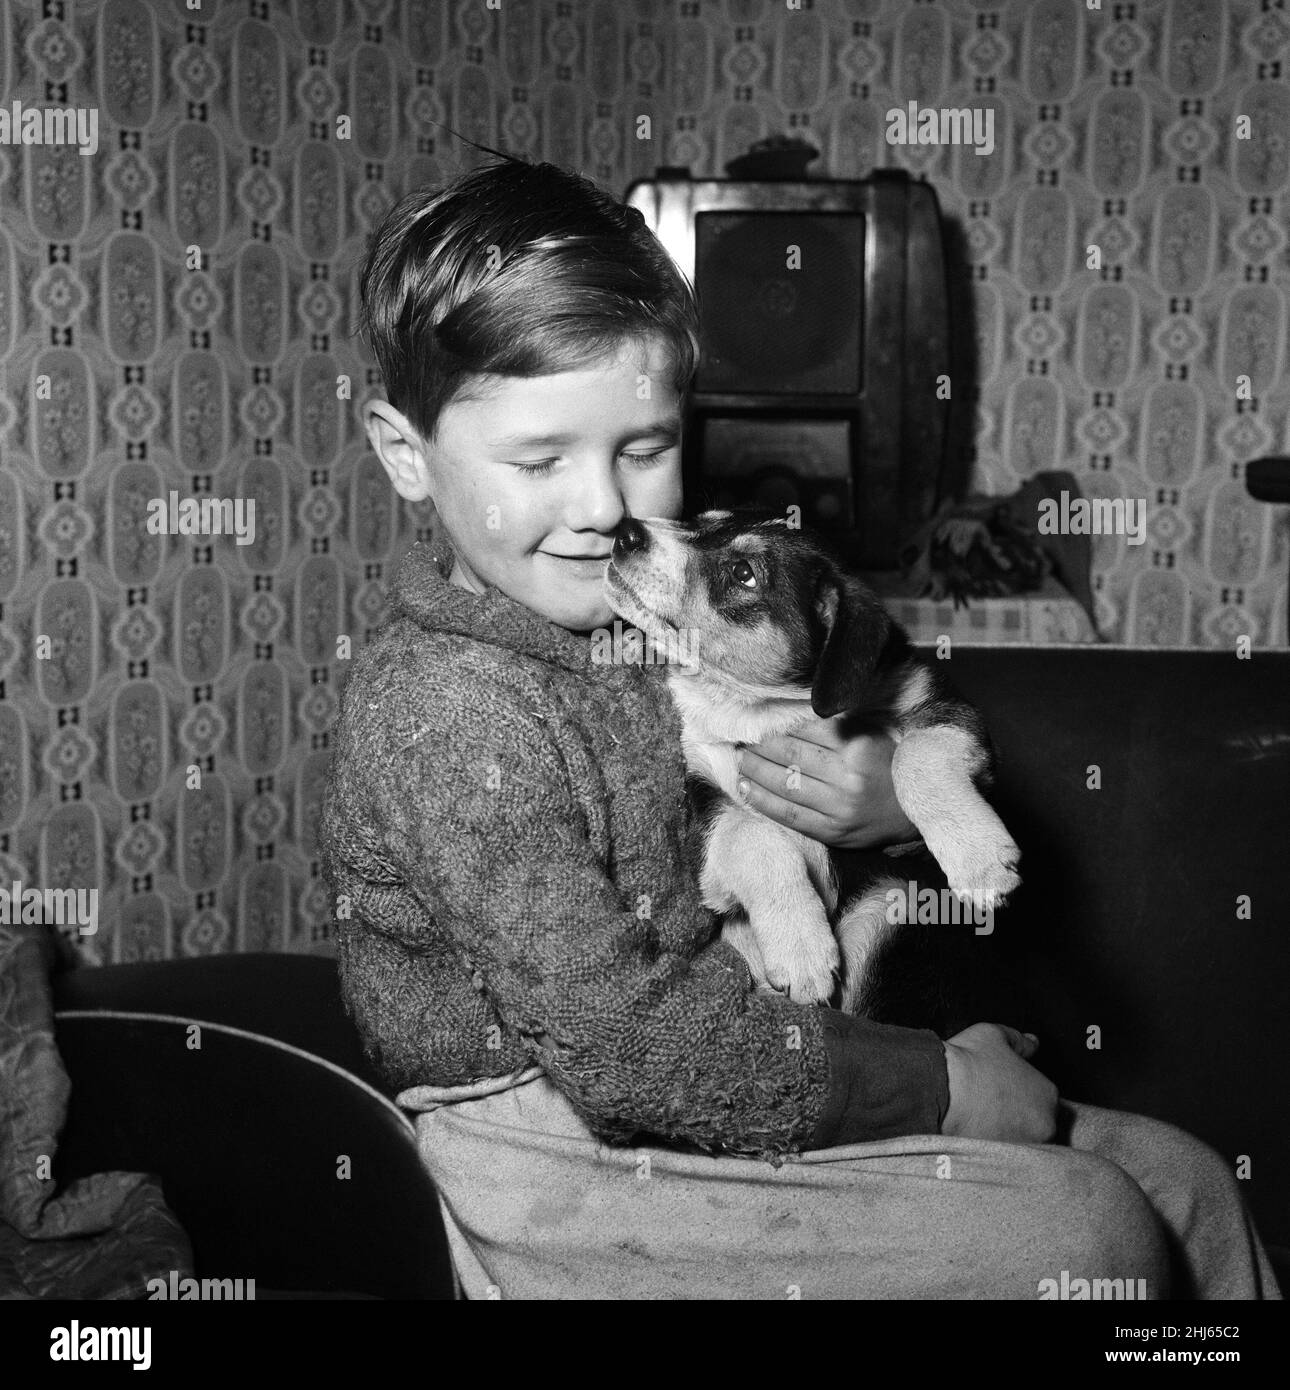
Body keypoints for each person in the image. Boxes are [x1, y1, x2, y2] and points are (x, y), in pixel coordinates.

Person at [319, 155, 1280, 1300]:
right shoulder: (448, 710)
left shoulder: (633, 633)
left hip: (743, 1050)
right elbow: (626, 1045)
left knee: (1184, 1183)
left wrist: (881, 808)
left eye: (644, 448)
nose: (605, 510)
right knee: (1088, 1235)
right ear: (401, 453)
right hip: (558, 1151)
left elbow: (774, 812)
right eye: (539, 459)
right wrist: (937, 1086)